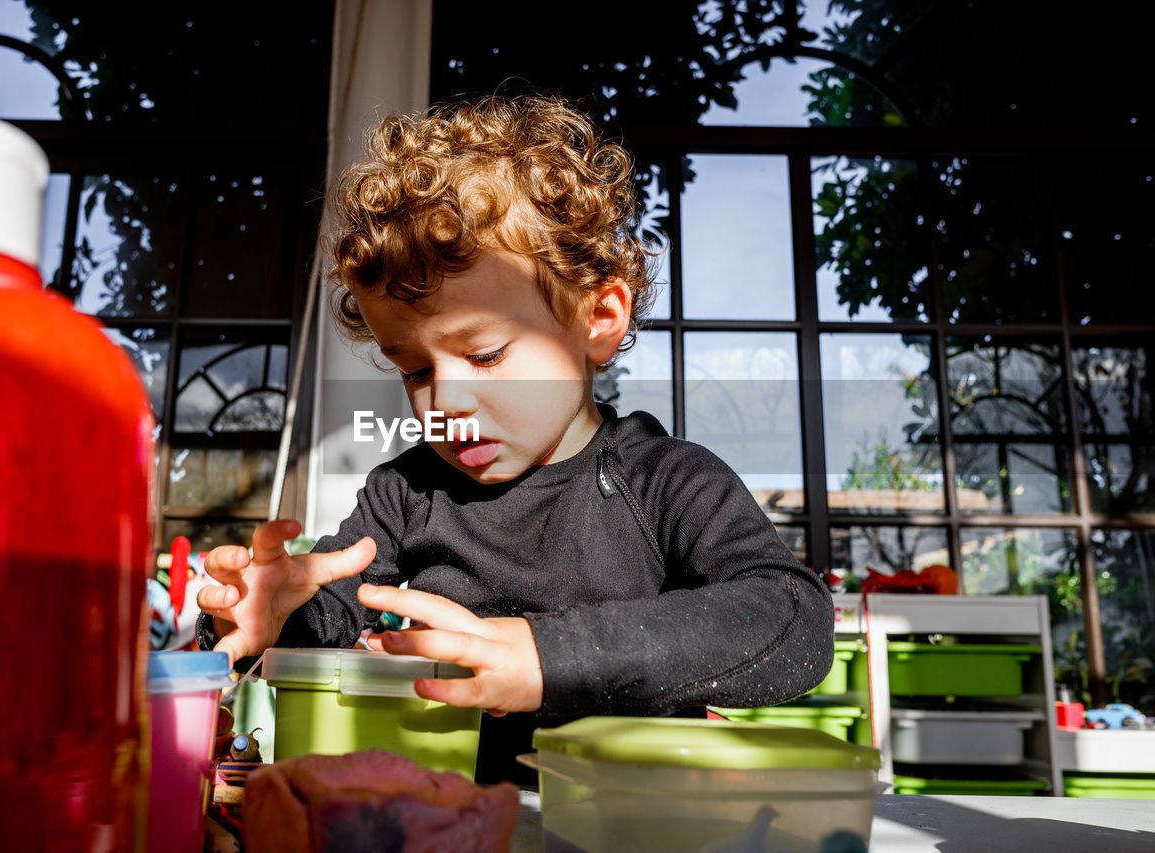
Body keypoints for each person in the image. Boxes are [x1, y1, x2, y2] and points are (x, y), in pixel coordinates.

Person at [195, 93, 834, 784]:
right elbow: (333, 615)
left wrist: (547, 654)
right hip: (451, 823)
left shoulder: (668, 481)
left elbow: (794, 618)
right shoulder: (405, 493)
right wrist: (271, 610)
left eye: (488, 354)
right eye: (414, 369)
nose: (447, 399)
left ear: (599, 315)